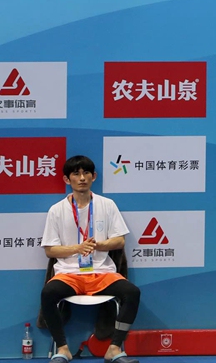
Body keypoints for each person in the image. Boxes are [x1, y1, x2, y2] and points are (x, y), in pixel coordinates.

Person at [41, 156, 142, 363]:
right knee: (48, 294)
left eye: (86, 173)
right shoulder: (56, 210)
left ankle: (114, 348)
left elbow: (120, 241)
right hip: (69, 274)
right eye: (76, 174)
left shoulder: (107, 205)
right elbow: (50, 250)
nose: (82, 178)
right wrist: (77, 248)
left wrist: (99, 245)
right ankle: (63, 349)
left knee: (132, 293)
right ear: (66, 180)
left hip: (102, 273)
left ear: (94, 177)